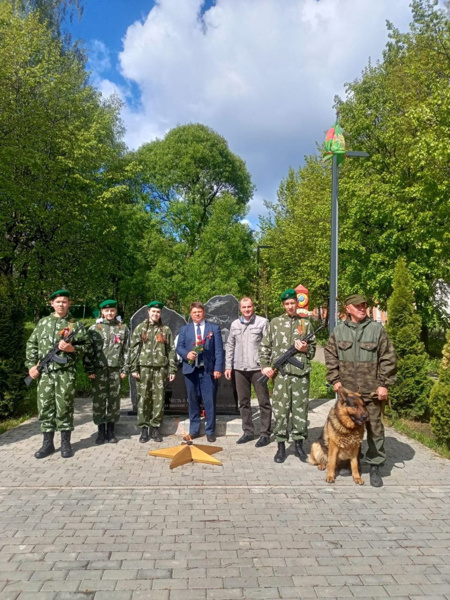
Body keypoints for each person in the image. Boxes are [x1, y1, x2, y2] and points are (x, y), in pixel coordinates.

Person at [324, 293, 397, 487]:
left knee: (375, 428)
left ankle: (375, 465)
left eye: (364, 305)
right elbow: (330, 355)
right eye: (357, 306)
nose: (362, 308)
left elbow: (388, 358)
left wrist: (384, 384)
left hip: (371, 391)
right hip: (347, 393)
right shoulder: (339, 332)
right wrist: (335, 380)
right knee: (345, 429)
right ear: (348, 308)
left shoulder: (376, 330)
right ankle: (350, 459)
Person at [26, 289, 87, 459]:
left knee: (65, 406)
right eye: (58, 301)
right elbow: (32, 344)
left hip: (65, 373)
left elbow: (87, 347)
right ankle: (48, 444)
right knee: (45, 406)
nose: (61, 304)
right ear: (52, 303)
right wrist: (31, 366)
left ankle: (65, 443)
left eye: (64, 301)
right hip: (45, 374)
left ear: (69, 303)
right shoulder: (43, 323)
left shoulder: (75, 325)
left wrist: (72, 348)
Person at [259, 289, 316, 464]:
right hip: (281, 376)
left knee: (300, 410)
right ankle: (281, 446)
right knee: (281, 410)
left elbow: (313, 350)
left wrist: (306, 349)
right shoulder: (275, 323)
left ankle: (299, 445)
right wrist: (265, 366)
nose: (290, 306)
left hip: (300, 374)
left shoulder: (306, 324)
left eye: (292, 303)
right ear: (283, 305)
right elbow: (265, 346)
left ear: (297, 303)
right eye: (287, 304)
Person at [225, 297, 271, 447]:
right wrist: (228, 366)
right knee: (243, 402)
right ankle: (248, 431)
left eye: (249, 307)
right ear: (240, 309)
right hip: (240, 369)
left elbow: (269, 345)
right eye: (244, 307)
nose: (247, 310)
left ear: (253, 307)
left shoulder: (262, 322)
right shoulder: (235, 324)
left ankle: (265, 434)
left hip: (258, 368)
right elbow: (230, 345)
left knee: (263, 401)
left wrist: (267, 365)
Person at [128, 301, 177, 443]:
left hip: (160, 369)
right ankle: (144, 429)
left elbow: (170, 351)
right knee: (143, 398)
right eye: (153, 311)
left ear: (160, 314)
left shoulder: (165, 330)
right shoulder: (140, 328)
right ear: (148, 312)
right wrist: (133, 368)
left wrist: (172, 369)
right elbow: (133, 349)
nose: (155, 314)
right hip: (144, 368)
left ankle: (155, 428)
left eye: (158, 312)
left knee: (159, 399)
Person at [83, 299, 129, 445]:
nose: (109, 313)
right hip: (99, 371)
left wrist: (125, 369)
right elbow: (87, 351)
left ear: (116, 312)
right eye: (106, 311)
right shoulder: (94, 329)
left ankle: (111, 431)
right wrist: (89, 369)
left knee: (114, 400)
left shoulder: (123, 328)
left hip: (116, 370)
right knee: (99, 401)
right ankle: (100, 431)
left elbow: (127, 350)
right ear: (102, 312)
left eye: (112, 310)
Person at [176, 302, 223, 442]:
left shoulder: (213, 329)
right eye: (195, 312)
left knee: (209, 401)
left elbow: (219, 351)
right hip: (191, 371)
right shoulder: (185, 329)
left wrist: (218, 368)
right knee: (193, 400)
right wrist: (186, 354)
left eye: (200, 312)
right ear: (191, 314)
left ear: (204, 313)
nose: (197, 314)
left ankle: (210, 431)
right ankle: (194, 430)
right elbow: (179, 347)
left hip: (207, 370)